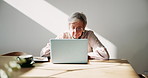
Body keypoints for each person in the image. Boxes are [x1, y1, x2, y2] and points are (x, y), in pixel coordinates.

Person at [40, 12, 109, 60]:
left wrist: (84, 56)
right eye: (73, 27)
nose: (75, 31)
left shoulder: (89, 35)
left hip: (86, 66)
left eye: (79, 28)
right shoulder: (64, 35)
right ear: (68, 26)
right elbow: (43, 54)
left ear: (84, 28)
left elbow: (104, 55)